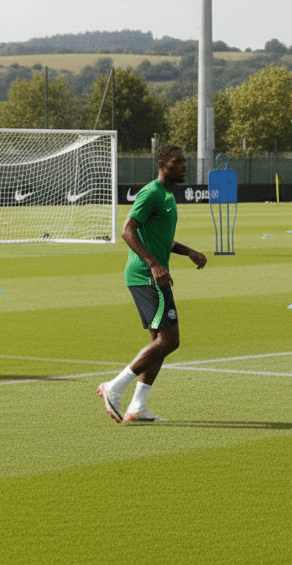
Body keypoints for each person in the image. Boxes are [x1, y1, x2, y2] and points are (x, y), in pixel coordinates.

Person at [97, 145, 207, 423]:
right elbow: (128, 231)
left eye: (185, 162)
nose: (184, 166)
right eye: (178, 162)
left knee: (159, 342)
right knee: (170, 341)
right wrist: (155, 264)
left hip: (153, 274)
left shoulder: (167, 195)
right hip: (146, 275)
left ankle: (137, 407)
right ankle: (115, 387)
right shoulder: (152, 192)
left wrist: (189, 252)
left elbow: (158, 239)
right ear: (162, 163)